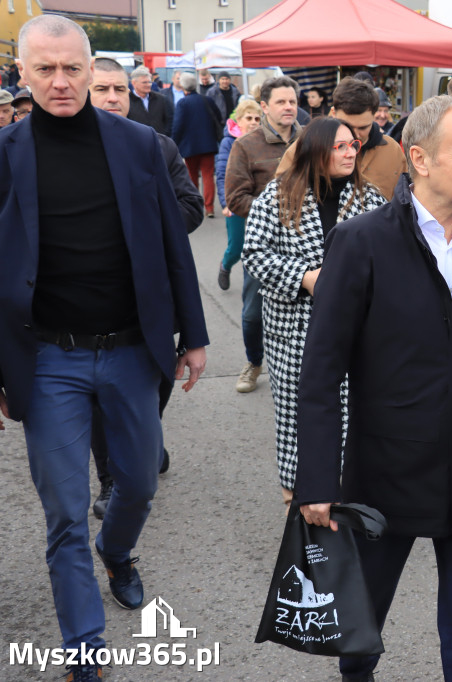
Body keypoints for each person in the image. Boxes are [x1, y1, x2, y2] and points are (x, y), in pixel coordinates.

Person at [0, 16, 208, 682]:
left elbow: (175, 250)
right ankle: (85, 650)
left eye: (72, 68)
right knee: (63, 510)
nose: (60, 82)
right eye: (44, 70)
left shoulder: (141, 146)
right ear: (23, 74)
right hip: (46, 359)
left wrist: (195, 335)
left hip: (129, 351)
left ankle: (117, 549)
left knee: (140, 481)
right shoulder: (5, 154)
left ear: (92, 69)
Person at [295, 94, 452, 682]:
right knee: (359, 629)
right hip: (382, 478)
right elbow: (320, 371)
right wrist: (317, 479)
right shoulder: (363, 241)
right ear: (418, 159)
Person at [243, 117, 387, 505]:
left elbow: (391, 258)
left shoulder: (369, 198)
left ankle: (348, 491)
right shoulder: (277, 195)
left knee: (353, 411)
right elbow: (254, 255)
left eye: (352, 146)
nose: (349, 153)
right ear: (316, 151)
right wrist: (305, 278)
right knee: (296, 416)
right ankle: (297, 494)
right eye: (339, 146)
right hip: (294, 331)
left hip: (356, 330)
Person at [87, 57, 205, 517]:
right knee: (100, 396)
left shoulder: (158, 146)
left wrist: (140, 225)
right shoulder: (69, 152)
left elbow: (191, 208)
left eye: (119, 89)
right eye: (102, 90)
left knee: (155, 386)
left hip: (153, 301)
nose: (112, 97)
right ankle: (110, 479)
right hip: (93, 309)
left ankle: (144, 441)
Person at [225, 76, 302, 394]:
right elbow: (235, 197)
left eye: (293, 102)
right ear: (265, 106)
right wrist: (277, 211)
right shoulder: (246, 145)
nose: (289, 107)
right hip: (265, 245)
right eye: (282, 102)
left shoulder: (310, 139)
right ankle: (254, 362)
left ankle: (303, 367)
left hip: (305, 243)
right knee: (254, 313)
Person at [280, 77, 407, 199]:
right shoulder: (305, 146)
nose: (355, 135)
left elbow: (404, 203)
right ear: (333, 113)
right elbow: (280, 196)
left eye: (363, 128)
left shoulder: (392, 152)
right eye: (348, 126)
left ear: (374, 116)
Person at [215, 99, 263, 290]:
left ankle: (251, 288)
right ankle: (225, 265)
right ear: (239, 120)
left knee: (256, 248)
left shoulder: (264, 141)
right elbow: (221, 174)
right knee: (237, 247)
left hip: (258, 203)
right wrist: (226, 203)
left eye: (257, 118)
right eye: (248, 118)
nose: (253, 122)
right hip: (235, 202)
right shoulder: (229, 142)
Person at [172, 72, 223, 218]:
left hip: (189, 146)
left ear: (183, 87)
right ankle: (210, 207)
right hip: (208, 144)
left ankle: (196, 205)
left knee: (192, 176)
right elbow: (218, 118)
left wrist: (174, 143)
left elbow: (178, 126)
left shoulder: (183, 103)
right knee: (208, 176)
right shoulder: (207, 100)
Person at [127, 65, 173, 136]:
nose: (148, 85)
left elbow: (170, 120)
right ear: (134, 83)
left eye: (149, 82)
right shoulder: (127, 101)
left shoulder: (161, 99)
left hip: (159, 143)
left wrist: (164, 136)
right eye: (144, 82)